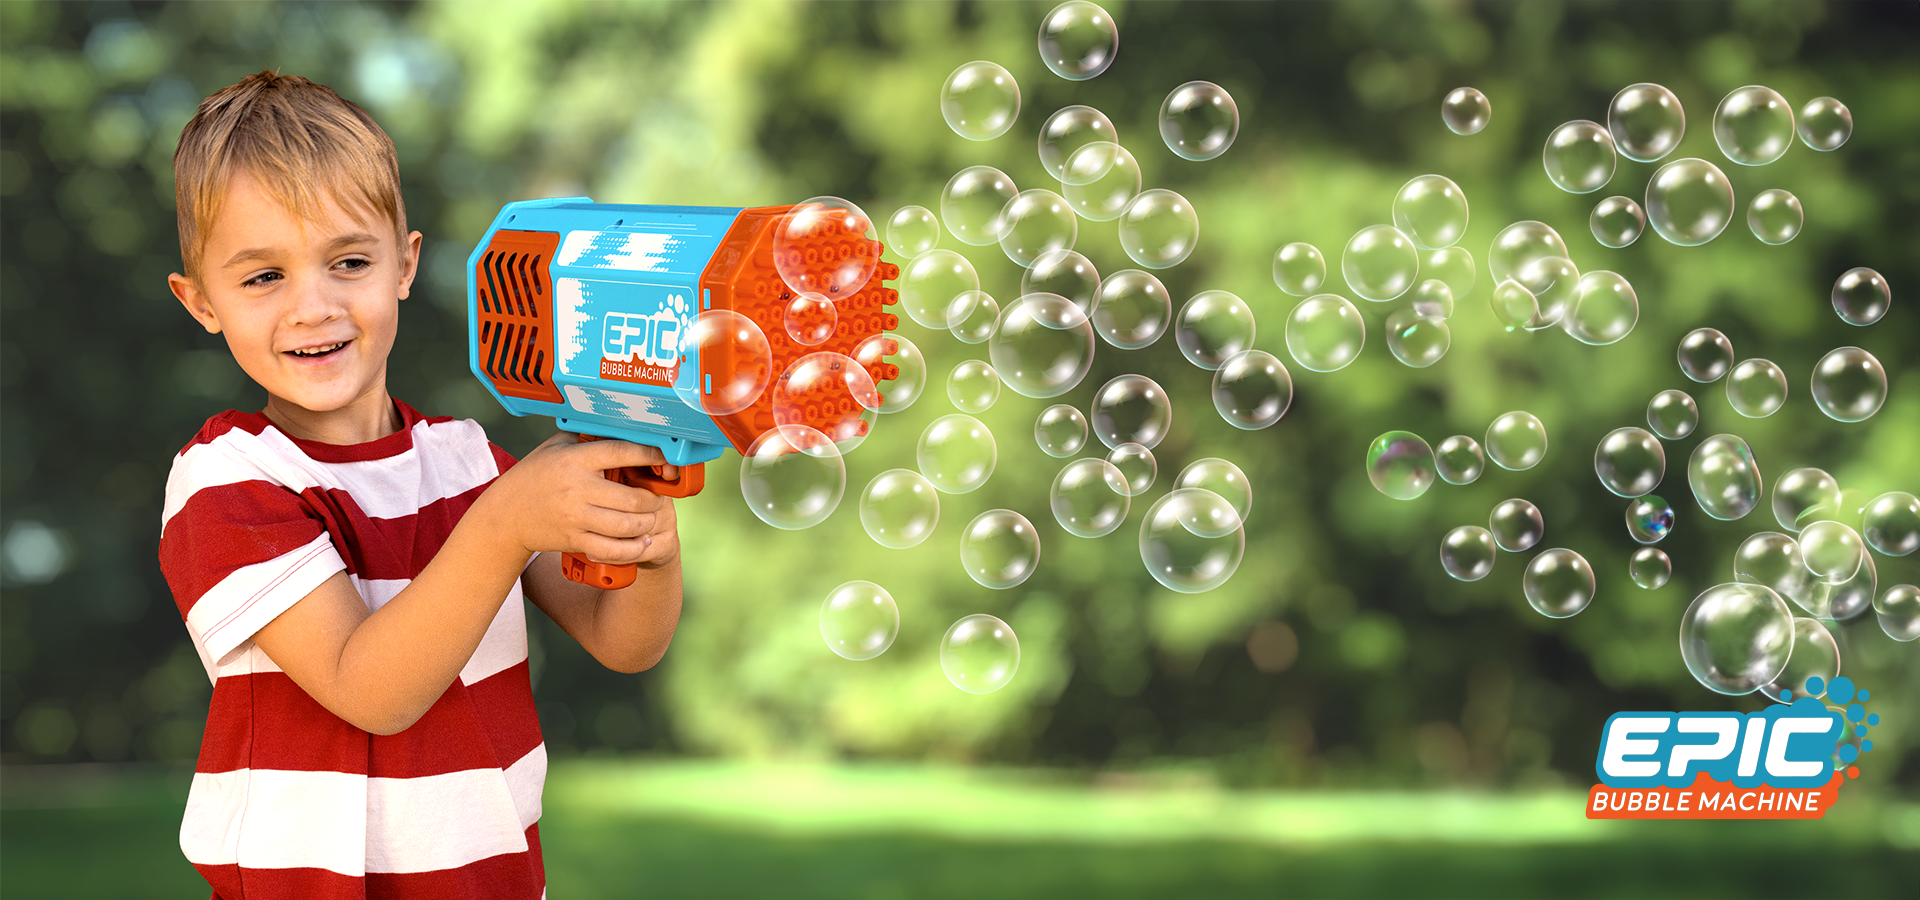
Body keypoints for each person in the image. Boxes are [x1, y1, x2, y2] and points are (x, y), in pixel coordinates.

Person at [158, 70, 682, 898]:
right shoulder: (227, 482)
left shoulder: (469, 464)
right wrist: (505, 525)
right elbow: (368, 689)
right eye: (263, 277)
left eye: (350, 260)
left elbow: (623, 640)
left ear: (404, 265)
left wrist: (644, 530)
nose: (312, 306)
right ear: (202, 302)